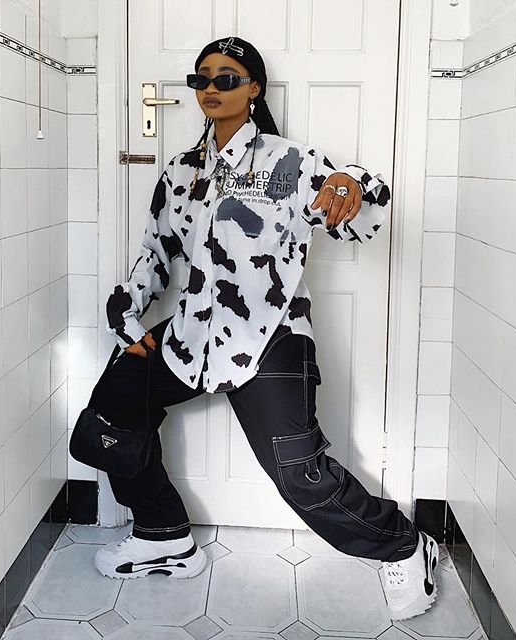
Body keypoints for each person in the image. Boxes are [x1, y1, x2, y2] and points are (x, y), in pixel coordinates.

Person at [92, 36, 438, 621]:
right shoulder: (180, 173)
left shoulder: (288, 163)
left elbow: (360, 208)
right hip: (191, 336)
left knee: (300, 475)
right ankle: (161, 533)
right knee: (109, 411)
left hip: (270, 336)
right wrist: (125, 311)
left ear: (253, 88)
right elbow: (158, 252)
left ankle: (404, 545)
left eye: (226, 78)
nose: (210, 88)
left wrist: (351, 186)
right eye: (201, 79)